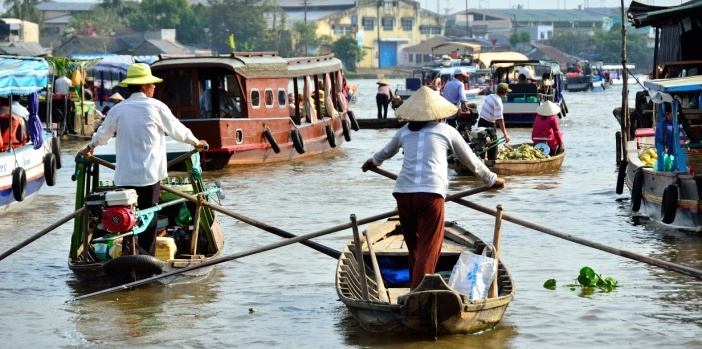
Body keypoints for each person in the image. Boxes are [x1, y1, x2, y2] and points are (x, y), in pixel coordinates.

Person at [361, 86, 506, 290]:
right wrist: (492, 180)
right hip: (430, 195)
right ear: (437, 113)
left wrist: (371, 162)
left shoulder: (404, 131)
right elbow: (471, 162)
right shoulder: (447, 131)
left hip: (403, 194)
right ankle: (418, 293)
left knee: (415, 248)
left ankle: (415, 287)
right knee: (429, 247)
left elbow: (383, 154)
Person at [76, 63, 208, 257]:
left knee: (126, 216)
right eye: (152, 85)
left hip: (125, 175)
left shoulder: (119, 109)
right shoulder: (156, 107)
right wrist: (196, 142)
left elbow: (102, 136)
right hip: (150, 174)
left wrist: (89, 147)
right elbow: (178, 131)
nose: (154, 88)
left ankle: (129, 254)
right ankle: (147, 257)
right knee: (149, 216)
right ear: (145, 86)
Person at [478, 83, 512, 160]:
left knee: (481, 145)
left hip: (481, 122)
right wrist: (505, 135)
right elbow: (500, 120)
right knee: (493, 148)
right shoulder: (498, 102)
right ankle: (492, 163)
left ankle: (480, 160)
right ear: (505, 93)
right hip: (488, 125)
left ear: (497, 90)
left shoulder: (490, 96)